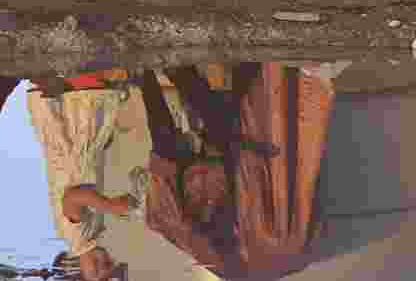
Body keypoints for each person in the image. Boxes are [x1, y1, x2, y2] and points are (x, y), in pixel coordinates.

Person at [135, 63, 337, 278]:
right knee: (222, 127)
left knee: (226, 125)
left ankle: (168, 72)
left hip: (243, 180)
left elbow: (313, 207)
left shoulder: (287, 257)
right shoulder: (234, 257)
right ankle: (160, 72)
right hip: (238, 184)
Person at [27, 77, 132, 281]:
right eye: (108, 270)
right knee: (86, 91)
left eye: (95, 272)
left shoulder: (76, 238)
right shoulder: (91, 236)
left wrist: (111, 205)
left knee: (84, 90)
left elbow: (73, 197)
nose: (104, 266)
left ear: (78, 272)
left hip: (71, 144)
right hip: (77, 150)